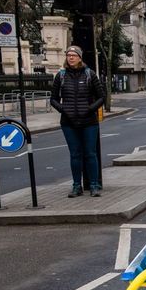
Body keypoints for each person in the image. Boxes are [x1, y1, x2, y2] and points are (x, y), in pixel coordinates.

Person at [50, 45, 105, 198]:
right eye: (68, 55)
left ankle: (94, 185)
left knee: (90, 153)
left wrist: (90, 109)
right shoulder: (60, 76)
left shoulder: (89, 74)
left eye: (74, 55)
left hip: (89, 122)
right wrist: (63, 109)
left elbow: (101, 96)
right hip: (68, 122)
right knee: (75, 154)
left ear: (80, 58)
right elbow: (53, 99)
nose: (71, 57)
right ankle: (76, 186)